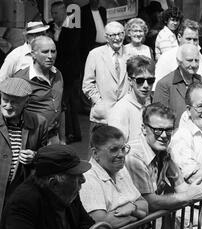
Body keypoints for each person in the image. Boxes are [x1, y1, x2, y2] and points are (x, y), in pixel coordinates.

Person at [79, 125, 189, 229]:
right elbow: (100, 222)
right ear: (95, 153)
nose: (121, 154)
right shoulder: (89, 178)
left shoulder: (121, 170)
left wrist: (131, 209)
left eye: (123, 148)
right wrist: (135, 213)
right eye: (114, 150)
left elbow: (143, 205)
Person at [0, 78, 48, 216]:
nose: (8, 105)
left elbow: (44, 158)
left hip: (18, 194)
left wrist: (35, 156)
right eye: (5, 100)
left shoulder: (39, 123)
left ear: (26, 102)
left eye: (14, 102)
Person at [14, 36, 65, 145]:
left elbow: (61, 107)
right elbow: (13, 114)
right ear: (33, 54)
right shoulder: (21, 79)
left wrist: (62, 139)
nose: (50, 56)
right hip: (31, 139)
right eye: (45, 52)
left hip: (53, 137)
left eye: (53, 51)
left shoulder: (58, 74)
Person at [82, 21, 129, 127]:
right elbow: (87, 84)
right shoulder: (95, 54)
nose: (117, 38)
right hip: (103, 116)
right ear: (106, 37)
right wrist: (99, 102)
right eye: (113, 35)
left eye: (120, 34)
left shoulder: (131, 54)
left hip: (125, 114)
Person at [48, 1, 82, 144]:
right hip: (55, 70)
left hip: (68, 71)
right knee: (67, 102)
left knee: (65, 102)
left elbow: (69, 49)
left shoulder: (73, 27)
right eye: (52, 13)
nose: (54, 16)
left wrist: (54, 38)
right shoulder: (50, 27)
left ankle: (69, 134)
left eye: (56, 13)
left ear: (63, 12)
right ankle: (72, 133)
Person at [108, 55, 155, 145]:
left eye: (150, 80)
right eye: (140, 80)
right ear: (130, 80)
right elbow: (116, 147)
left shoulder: (150, 105)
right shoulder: (120, 110)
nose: (146, 85)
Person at [153, 43, 202, 126]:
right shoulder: (165, 84)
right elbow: (159, 118)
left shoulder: (201, 82)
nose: (194, 64)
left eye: (196, 60)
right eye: (189, 60)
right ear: (179, 61)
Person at [153, 19, 202, 89]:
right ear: (179, 37)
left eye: (195, 40)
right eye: (188, 39)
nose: (192, 43)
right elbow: (156, 88)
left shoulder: (200, 57)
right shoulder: (166, 57)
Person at [79, 0, 107, 64]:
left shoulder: (102, 10)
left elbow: (103, 25)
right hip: (92, 46)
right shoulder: (82, 11)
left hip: (105, 45)